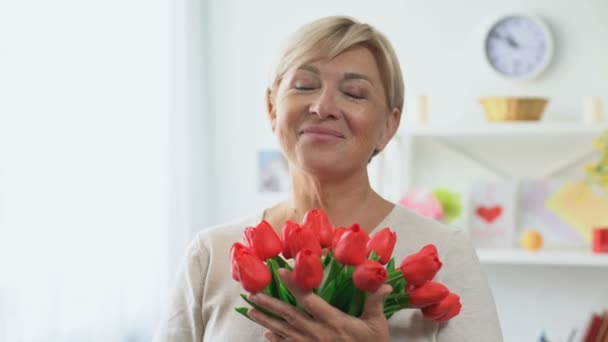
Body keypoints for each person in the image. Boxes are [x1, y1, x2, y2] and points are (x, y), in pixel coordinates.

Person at [154, 15, 503, 341]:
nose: (322, 107)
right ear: (272, 109)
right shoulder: (211, 255)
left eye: (354, 93)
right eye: (304, 85)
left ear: (388, 126)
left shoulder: (446, 253)